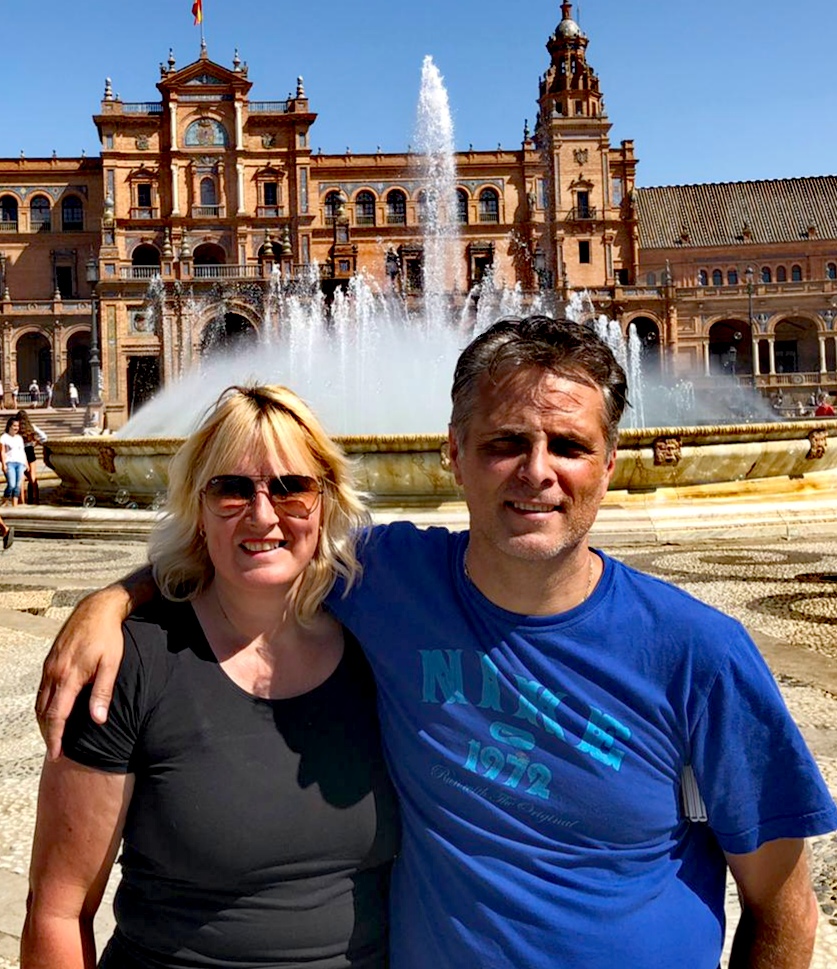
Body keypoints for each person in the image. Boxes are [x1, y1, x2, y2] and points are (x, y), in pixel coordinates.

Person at [36, 317, 837, 969]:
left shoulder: (698, 652)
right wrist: (113, 600)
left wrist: (114, 597)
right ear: (453, 453)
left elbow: (781, 904)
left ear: (608, 464)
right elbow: (257, 552)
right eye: (504, 443)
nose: (536, 471)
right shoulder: (387, 579)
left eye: (567, 445)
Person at [23, 385, 399, 969]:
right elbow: (58, 912)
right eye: (231, 488)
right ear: (198, 509)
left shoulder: (380, 643)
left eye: (292, 487)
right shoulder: (130, 663)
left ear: (325, 501)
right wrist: (112, 601)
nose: (263, 513)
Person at [16, 409, 47, 504]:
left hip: (20, 451)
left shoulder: (16, 427)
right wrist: (37, 442)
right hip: (30, 450)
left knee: (21, 477)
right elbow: (44, 437)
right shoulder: (31, 427)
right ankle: (36, 499)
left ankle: (22, 500)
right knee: (33, 475)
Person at [1, 415, 27, 507]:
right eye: (14, 426)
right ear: (9, 426)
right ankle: (4, 500)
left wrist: (26, 463)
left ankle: (15, 506)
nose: (17, 428)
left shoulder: (19, 438)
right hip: (10, 463)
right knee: (11, 484)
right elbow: (2, 451)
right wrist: (3, 464)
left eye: (18, 426)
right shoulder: (4, 437)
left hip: (20, 463)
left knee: (18, 485)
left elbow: (22, 451)